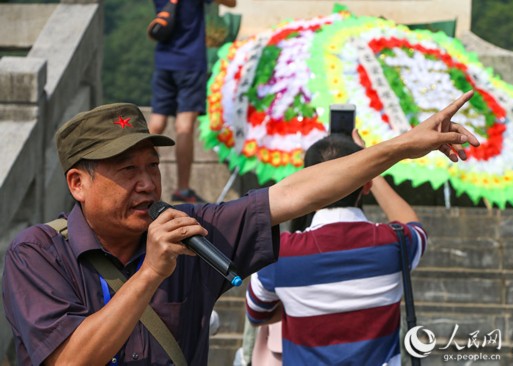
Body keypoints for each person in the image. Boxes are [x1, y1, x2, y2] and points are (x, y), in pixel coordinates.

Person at [2, 91, 479, 365]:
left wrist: (400, 147)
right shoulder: (37, 253)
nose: (148, 184)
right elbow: (68, 361)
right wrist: (151, 271)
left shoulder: (188, 230)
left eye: (153, 166)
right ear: (77, 184)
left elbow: (294, 195)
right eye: (127, 170)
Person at [245, 132, 429, 365]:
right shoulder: (396, 243)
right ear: (367, 184)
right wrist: (369, 164)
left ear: (305, 186)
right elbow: (413, 224)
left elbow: (256, 314)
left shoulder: (279, 255)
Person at [148, 0, 236, 203]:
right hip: (190, 62)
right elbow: (231, 3)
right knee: (184, 126)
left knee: (156, 123)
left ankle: (146, 183)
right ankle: (183, 188)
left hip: (163, 61)